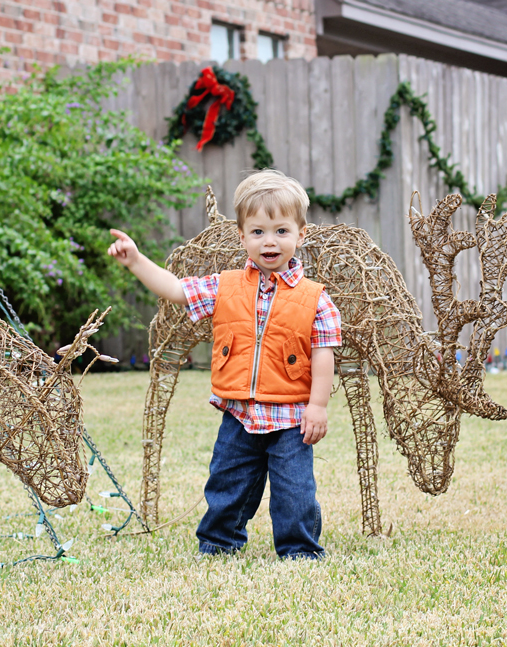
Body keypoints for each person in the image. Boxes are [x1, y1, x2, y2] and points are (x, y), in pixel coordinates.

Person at [107, 170, 341, 559]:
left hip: (292, 415)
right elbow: (178, 290)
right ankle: (219, 543)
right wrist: (136, 262)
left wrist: (317, 406)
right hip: (238, 411)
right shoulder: (225, 285)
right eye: (258, 232)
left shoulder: (315, 299)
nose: (270, 241)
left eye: (282, 231)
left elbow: (324, 354)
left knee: (295, 490)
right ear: (242, 236)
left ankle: (299, 548)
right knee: (227, 481)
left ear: (301, 235)